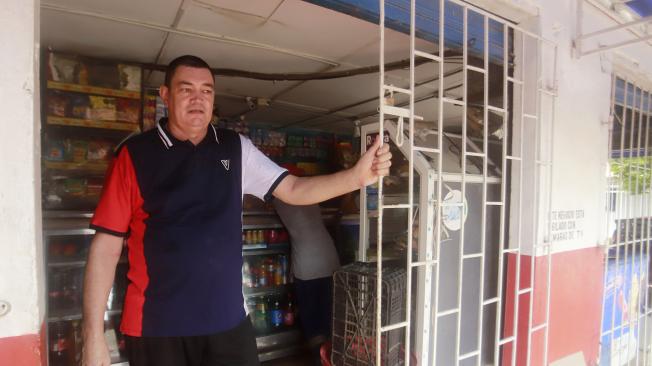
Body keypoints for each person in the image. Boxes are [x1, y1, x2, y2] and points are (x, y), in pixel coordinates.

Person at [81, 55, 391, 366]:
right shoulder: (134, 155)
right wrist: (93, 336)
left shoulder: (235, 147)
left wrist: (356, 177)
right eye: (186, 89)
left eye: (206, 91)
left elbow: (295, 190)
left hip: (228, 321)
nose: (197, 99)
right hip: (157, 326)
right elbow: (106, 247)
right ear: (165, 95)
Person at [272, 199, 339, 365]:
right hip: (329, 259)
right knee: (329, 316)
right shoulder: (309, 193)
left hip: (307, 265)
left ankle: (319, 360)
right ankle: (331, 360)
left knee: (313, 322)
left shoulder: (278, 196)